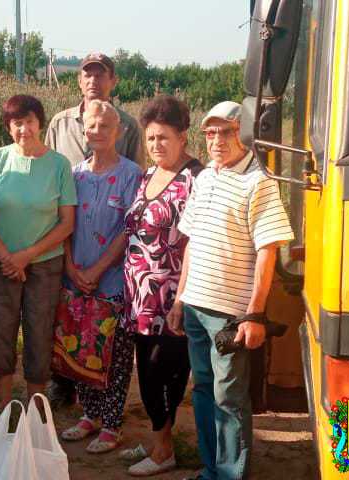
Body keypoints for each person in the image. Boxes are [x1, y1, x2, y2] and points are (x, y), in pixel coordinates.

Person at [173, 101, 294, 480]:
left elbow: (267, 250)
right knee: (204, 392)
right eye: (210, 133)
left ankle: (229, 475)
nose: (216, 140)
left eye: (225, 131)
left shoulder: (259, 181)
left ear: (243, 133)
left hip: (230, 315)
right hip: (195, 307)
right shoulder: (205, 177)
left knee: (230, 399)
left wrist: (254, 315)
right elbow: (190, 242)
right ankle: (211, 470)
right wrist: (179, 300)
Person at [45, 52, 144, 409]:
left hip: (110, 251)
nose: (93, 81)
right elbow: (51, 173)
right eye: (88, 74)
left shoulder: (128, 127)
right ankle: (68, 389)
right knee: (71, 322)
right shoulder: (59, 123)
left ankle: (108, 411)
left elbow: (133, 200)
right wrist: (71, 264)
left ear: (112, 81)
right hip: (71, 240)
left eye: (100, 75)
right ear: (79, 80)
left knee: (107, 335)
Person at [0, 94, 77, 411]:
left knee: (39, 336)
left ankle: (35, 411)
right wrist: (8, 257)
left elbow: (66, 223)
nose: (24, 129)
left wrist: (26, 255)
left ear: (39, 123)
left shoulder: (59, 165)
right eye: (17, 123)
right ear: (9, 127)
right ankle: (5, 409)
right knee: (0, 334)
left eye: (29, 121)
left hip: (44, 265)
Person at [119, 96, 204, 476]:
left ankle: (165, 449)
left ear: (183, 137)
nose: (156, 145)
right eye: (151, 138)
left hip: (172, 297)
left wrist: (181, 300)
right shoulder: (146, 175)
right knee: (146, 372)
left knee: (164, 372)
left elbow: (199, 242)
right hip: (140, 297)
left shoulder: (197, 179)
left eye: (164, 138)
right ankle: (158, 438)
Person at [57, 100, 142, 454]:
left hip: (111, 281)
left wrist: (95, 269)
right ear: (83, 130)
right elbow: (63, 226)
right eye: (92, 126)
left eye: (106, 126)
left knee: (113, 354)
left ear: (119, 131)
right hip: (74, 280)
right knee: (81, 348)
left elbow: (128, 230)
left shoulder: (132, 174)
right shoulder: (74, 174)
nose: (98, 132)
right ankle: (89, 415)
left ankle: (112, 423)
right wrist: (72, 269)